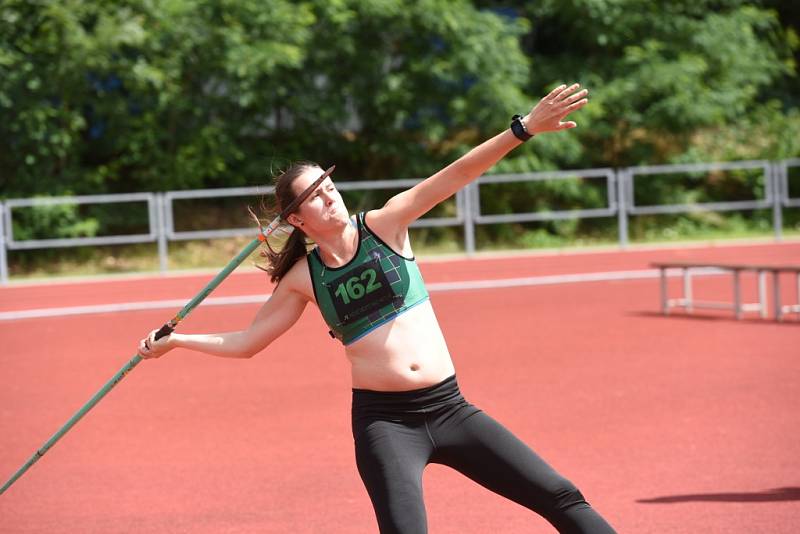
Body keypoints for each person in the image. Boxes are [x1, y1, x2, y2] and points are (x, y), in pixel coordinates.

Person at [138, 83, 616, 534]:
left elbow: (457, 174)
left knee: (560, 494)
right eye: (315, 197)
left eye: (329, 186)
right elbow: (246, 343)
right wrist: (178, 340)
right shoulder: (303, 278)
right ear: (296, 220)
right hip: (385, 423)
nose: (330, 197)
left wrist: (523, 128)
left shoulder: (386, 226)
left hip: (450, 407)